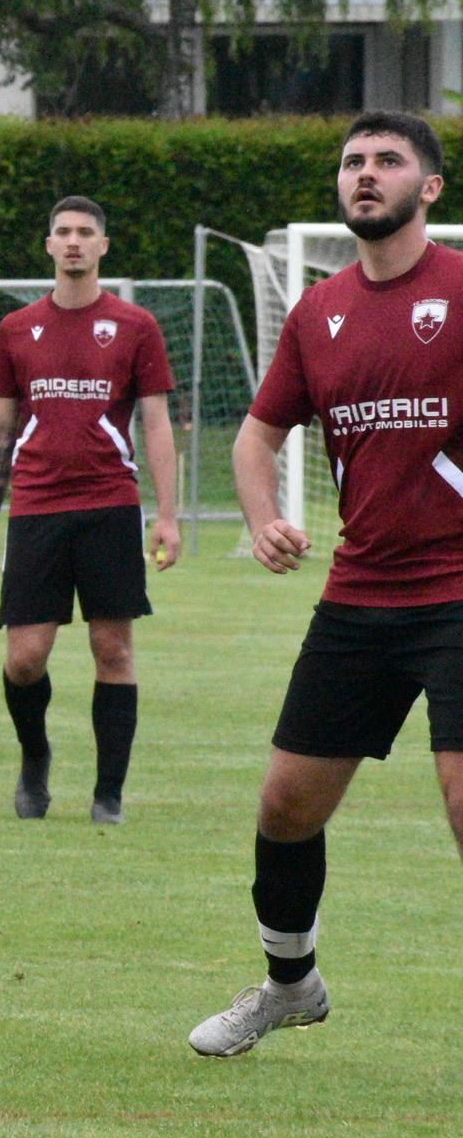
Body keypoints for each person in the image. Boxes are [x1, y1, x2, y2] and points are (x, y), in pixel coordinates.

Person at [189, 111, 463, 1057]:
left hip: (462, 591)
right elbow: (257, 436)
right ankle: (289, 985)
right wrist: (263, 517)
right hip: (361, 595)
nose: (365, 175)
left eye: (389, 161)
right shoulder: (319, 312)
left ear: (430, 187)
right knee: (286, 808)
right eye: (352, 162)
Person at [0, 196, 180, 823]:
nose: (72, 242)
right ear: (48, 245)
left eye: (84, 233)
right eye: (62, 231)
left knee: (111, 648)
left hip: (110, 506)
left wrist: (167, 515)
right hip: (36, 509)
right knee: (24, 657)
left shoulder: (136, 326)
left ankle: (108, 794)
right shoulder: (17, 328)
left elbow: (157, 423)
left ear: (102, 247)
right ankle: (34, 759)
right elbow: (0, 428)